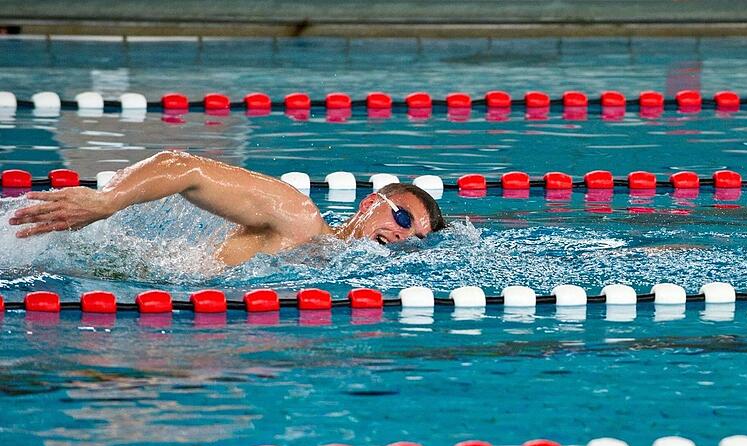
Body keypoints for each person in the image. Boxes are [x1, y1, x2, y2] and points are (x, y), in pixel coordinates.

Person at [8, 151, 446, 265]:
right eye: (403, 218)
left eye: (416, 237)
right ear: (371, 202)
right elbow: (181, 167)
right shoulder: (299, 219)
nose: (403, 235)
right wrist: (107, 202)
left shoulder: (336, 264)